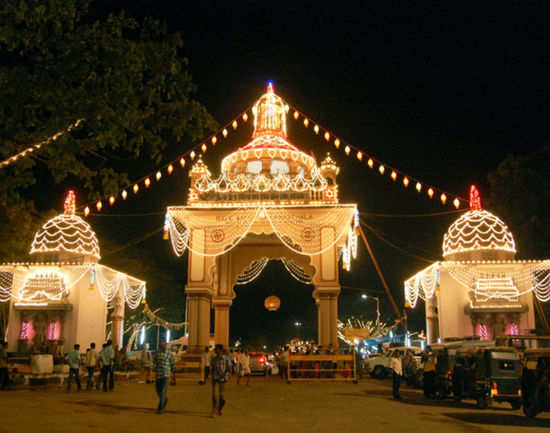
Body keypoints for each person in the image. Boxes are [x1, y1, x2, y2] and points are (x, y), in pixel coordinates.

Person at [153, 341, 175, 414]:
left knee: (162, 391)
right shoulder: (157, 353)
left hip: (166, 374)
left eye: (164, 345)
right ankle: (165, 399)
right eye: (161, 345)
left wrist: (173, 373)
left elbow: (172, 363)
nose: (163, 347)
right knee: (158, 391)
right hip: (158, 374)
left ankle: (160, 408)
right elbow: (154, 362)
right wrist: (152, 368)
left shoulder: (169, 354)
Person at [210, 344, 231, 417]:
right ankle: (214, 410)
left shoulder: (226, 359)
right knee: (214, 395)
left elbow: (229, 368)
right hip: (215, 379)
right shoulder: (214, 359)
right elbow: (212, 367)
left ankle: (219, 409)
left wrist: (227, 375)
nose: (215, 350)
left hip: (223, 379)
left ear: (221, 350)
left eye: (216, 349)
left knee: (222, 397)